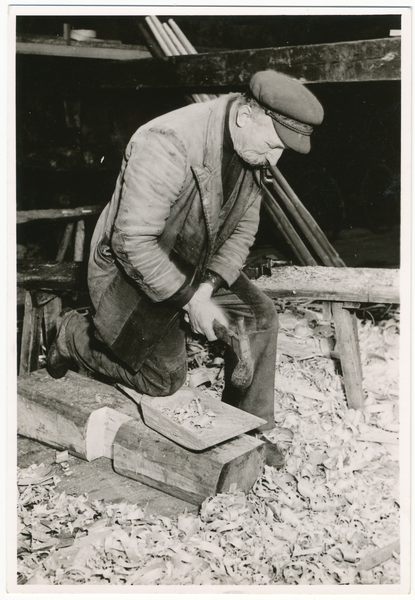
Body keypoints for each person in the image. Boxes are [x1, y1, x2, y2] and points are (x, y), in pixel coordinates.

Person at [47, 70, 324, 468]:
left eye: (281, 149)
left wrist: (209, 287)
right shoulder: (167, 141)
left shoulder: (254, 146)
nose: (274, 159)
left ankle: (251, 433)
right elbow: (133, 243)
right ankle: (74, 335)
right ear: (246, 115)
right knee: (162, 382)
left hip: (195, 262)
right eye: (271, 144)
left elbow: (243, 230)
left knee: (260, 318)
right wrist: (190, 299)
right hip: (132, 269)